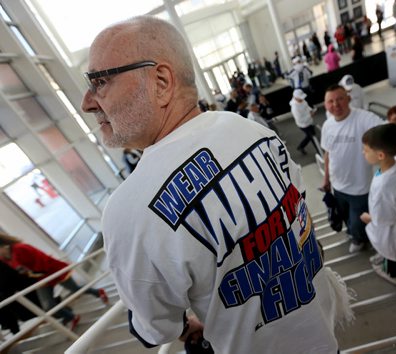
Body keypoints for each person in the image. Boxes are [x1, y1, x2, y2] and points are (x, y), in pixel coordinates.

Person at [81, 16, 341, 353]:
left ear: (161, 82)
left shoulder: (129, 212)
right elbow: (300, 222)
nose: (87, 102)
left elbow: (155, 330)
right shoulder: (253, 132)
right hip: (324, 335)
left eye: (99, 81)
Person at [320, 84, 396, 253]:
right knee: (345, 216)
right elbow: (327, 154)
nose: (336, 105)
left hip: (360, 188)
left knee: (358, 220)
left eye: (340, 99)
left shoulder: (363, 118)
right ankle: (354, 233)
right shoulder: (327, 126)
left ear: (348, 98)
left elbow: (389, 134)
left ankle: (359, 239)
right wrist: (326, 179)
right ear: (325, 105)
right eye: (330, 101)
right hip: (337, 186)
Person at [0, 232, 109, 330]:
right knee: (48, 306)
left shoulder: (20, 248)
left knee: (75, 289)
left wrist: (36, 273)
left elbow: (41, 260)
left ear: (2, 246)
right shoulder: (5, 259)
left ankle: (98, 292)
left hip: (53, 271)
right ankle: (71, 317)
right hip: (41, 279)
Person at [360, 124, 396, 286]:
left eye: (366, 150)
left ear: (380, 155)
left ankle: (393, 275)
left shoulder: (384, 185)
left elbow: (385, 218)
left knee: (392, 254)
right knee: (393, 248)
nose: (363, 153)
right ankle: (386, 257)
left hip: (393, 232)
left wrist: (369, 218)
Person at [290, 89, 322, 155]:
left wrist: (311, 110)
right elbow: (300, 120)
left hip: (309, 122)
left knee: (309, 136)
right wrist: (310, 115)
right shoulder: (295, 108)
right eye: (300, 98)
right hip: (303, 125)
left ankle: (301, 147)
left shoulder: (302, 100)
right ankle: (320, 152)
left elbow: (307, 107)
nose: (302, 99)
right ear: (296, 97)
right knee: (313, 137)